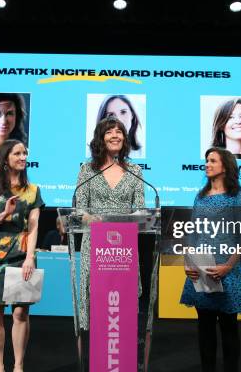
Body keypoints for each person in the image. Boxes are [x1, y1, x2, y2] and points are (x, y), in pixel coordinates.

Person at [180, 147, 241, 372]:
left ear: (225, 165)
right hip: (201, 270)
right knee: (205, 327)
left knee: (229, 327)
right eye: (206, 161)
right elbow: (192, 232)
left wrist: (228, 266)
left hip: (228, 269)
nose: (207, 164)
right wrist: (188, 262)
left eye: (212, 161)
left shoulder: (236, 195)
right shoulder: (199, 196)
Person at [75, 116, 145, 332]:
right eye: (109, 132)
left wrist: (131, 219)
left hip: (123, 246)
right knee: (96, 298)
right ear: (100, 138)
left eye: (119, 132)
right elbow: (79, 208)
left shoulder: (135, 171)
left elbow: (141, 209)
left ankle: (120, 350)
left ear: (125, 138)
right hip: (94, 241)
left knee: (121, 300)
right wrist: (90, 219)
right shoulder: (87, 170)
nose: (115, 135)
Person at [0, 139, 44, 372]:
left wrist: (30, 257)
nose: (23, 157)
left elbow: (34, 227)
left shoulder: (33, 190)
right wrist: (4, 214)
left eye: (25, 153)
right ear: (6, 158)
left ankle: (18, 366)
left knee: (20, 311)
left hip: (22, 254)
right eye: (18, 153)